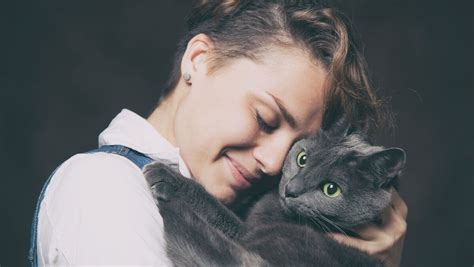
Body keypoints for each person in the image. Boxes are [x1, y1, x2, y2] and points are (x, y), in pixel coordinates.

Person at [29, 0, 407, 266]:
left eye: (297, 149)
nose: (275, 163)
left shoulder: (248, 216)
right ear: (200, 61)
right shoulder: (105, 188)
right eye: (265, 118)